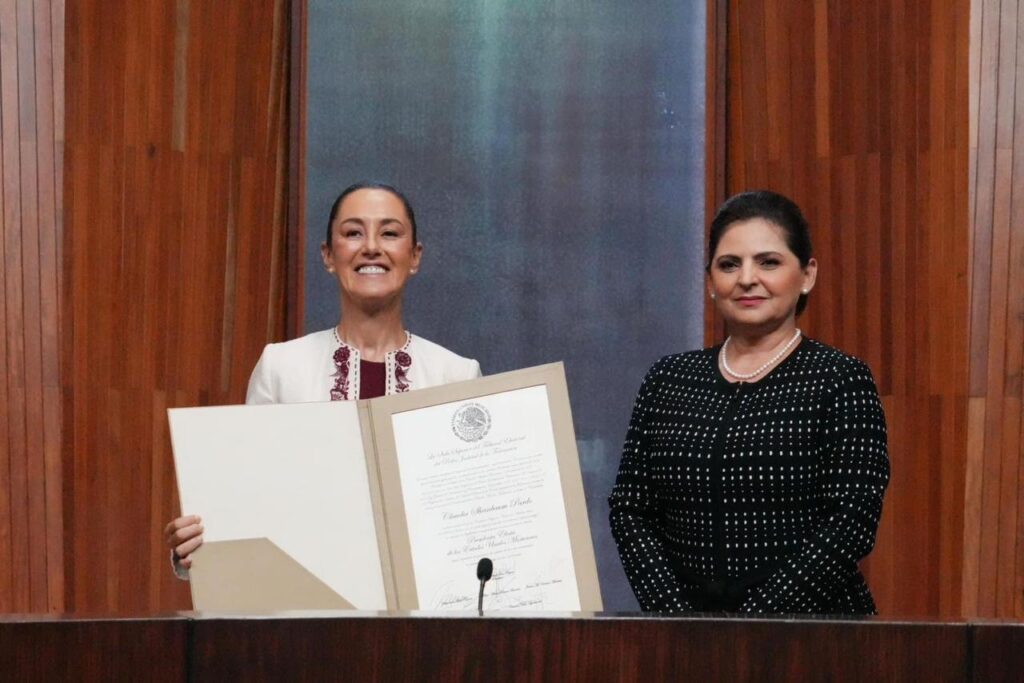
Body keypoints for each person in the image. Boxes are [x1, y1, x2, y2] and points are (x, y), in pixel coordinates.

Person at [164, 182, 481, 576]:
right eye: (352, 232)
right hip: (306, 613)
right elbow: (246, 498)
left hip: (422, 619)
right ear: (328, 256)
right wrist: (195, 549)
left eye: (390, 233)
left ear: (414, 256)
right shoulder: (280, 367)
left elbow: (471, 521)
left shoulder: (456, 374)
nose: (371, 247)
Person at [609, 190, 889, 614]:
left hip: (813, 639)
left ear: (807, 274)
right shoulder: (668, 379)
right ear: (710, 283)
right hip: (684, 640)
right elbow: (631, 509)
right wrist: (676, 620)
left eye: (769, 262)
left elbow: (851, 520)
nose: (746, 278)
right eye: (729, 264)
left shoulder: (840, 379)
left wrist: (753, 627)